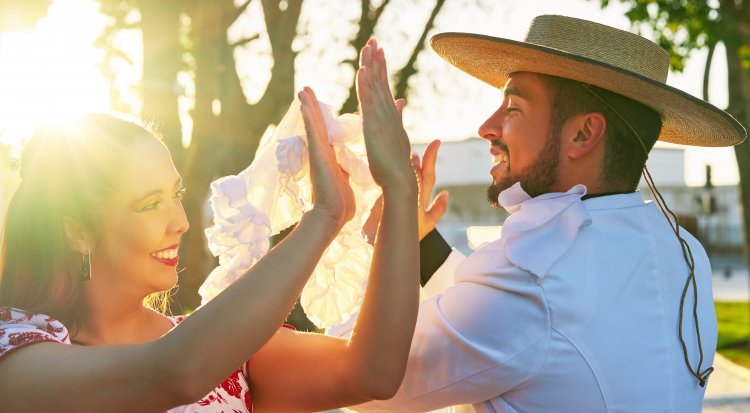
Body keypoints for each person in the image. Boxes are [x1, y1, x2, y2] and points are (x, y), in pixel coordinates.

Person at [336, 16, 747, 412]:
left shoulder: (533, 278)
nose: (487, 127)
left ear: (583, 134)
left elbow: (359, 382)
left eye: (512, 108)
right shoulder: (686, 252)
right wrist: (420, 243)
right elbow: (508, 322)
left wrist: (378, 227)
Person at [0, 41, 419, 412]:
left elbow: (372, 373)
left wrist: (400, 191)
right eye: (149, 204)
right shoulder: (17, 353)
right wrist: (322, 218)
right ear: (77, 231)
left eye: (176, 195)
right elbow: (173, 374)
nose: (180, 223)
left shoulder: (225, 349)